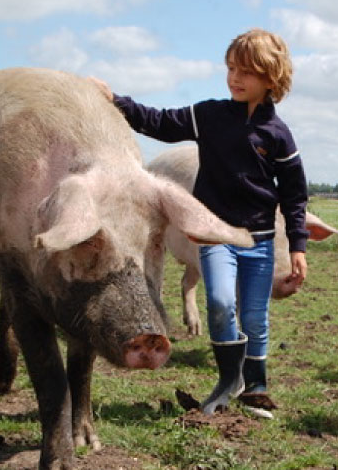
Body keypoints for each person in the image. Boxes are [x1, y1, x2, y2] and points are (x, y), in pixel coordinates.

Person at [89, 28, 308, 419]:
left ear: (271, 78)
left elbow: (294, 196)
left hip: (258, 240)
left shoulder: (278, 135)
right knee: (222, 302)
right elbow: (158, 121)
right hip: (215, 235)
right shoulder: (208, 116)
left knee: (255, 315)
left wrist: (298, 246)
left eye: (247, 71)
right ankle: (227, 381)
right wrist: (114, 101)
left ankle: (254, 386)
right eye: (231, 69)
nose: (235, 78)